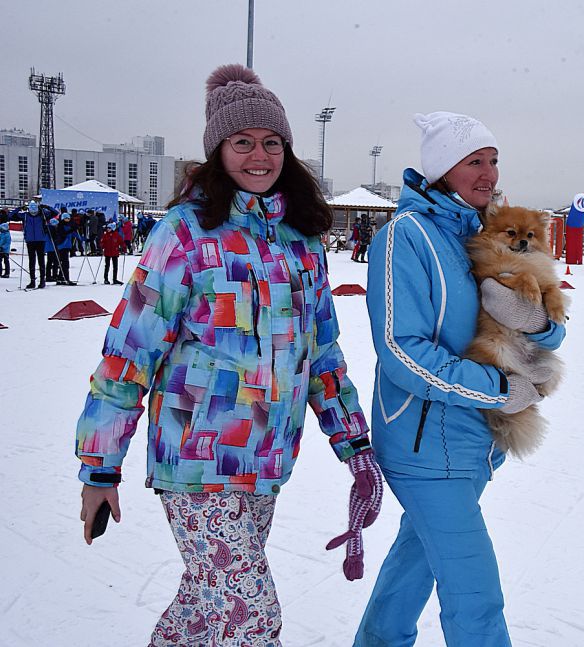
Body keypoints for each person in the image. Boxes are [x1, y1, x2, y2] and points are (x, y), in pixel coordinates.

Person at [75, 63, 383, 646]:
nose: (258, 156)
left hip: (265, 460)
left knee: (203, 604)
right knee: (250, 618)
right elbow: (128, 353)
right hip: (196, 462)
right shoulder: (185, 234)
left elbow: (322, 355)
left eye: (271, 143)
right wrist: (99, 465)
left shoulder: (302, 239)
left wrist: (355, 446)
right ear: (218, 151)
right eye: (242, 143)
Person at [356, 111, 566, 646]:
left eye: (493, 161)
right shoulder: (406, 237)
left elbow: (528, 320)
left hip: (475, 441)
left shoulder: (479, 236)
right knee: (475, 598)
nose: (489, 173)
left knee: (414, 568)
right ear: (442, 168)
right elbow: (403, 350)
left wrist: (544, 329)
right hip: (425, 445)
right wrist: (498, 389)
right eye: (474, 161)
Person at [19, 200, 51, 288]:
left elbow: (54, 213)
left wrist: (45, 207)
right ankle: (32, 281)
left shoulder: (42, 215)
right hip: (30, 241)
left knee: (41, 261)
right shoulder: (25, 215)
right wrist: (20, 208)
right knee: (31, 262)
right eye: (31, 208)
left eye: (35, 208)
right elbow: (10, 216)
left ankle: (42, 281)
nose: (33, 210)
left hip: (40, 240)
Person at [56, 211, 77, 285]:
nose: (68, 219)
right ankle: (65, 278)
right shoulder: (60, 225)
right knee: (65, 263)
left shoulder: (69, 225)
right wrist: (71, 230)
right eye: (66, 218)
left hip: (67, 246)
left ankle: (61, 277)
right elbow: (63, 234)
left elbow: (73, 234)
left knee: (64, 262)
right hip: (62, 245)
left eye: (68, 218)